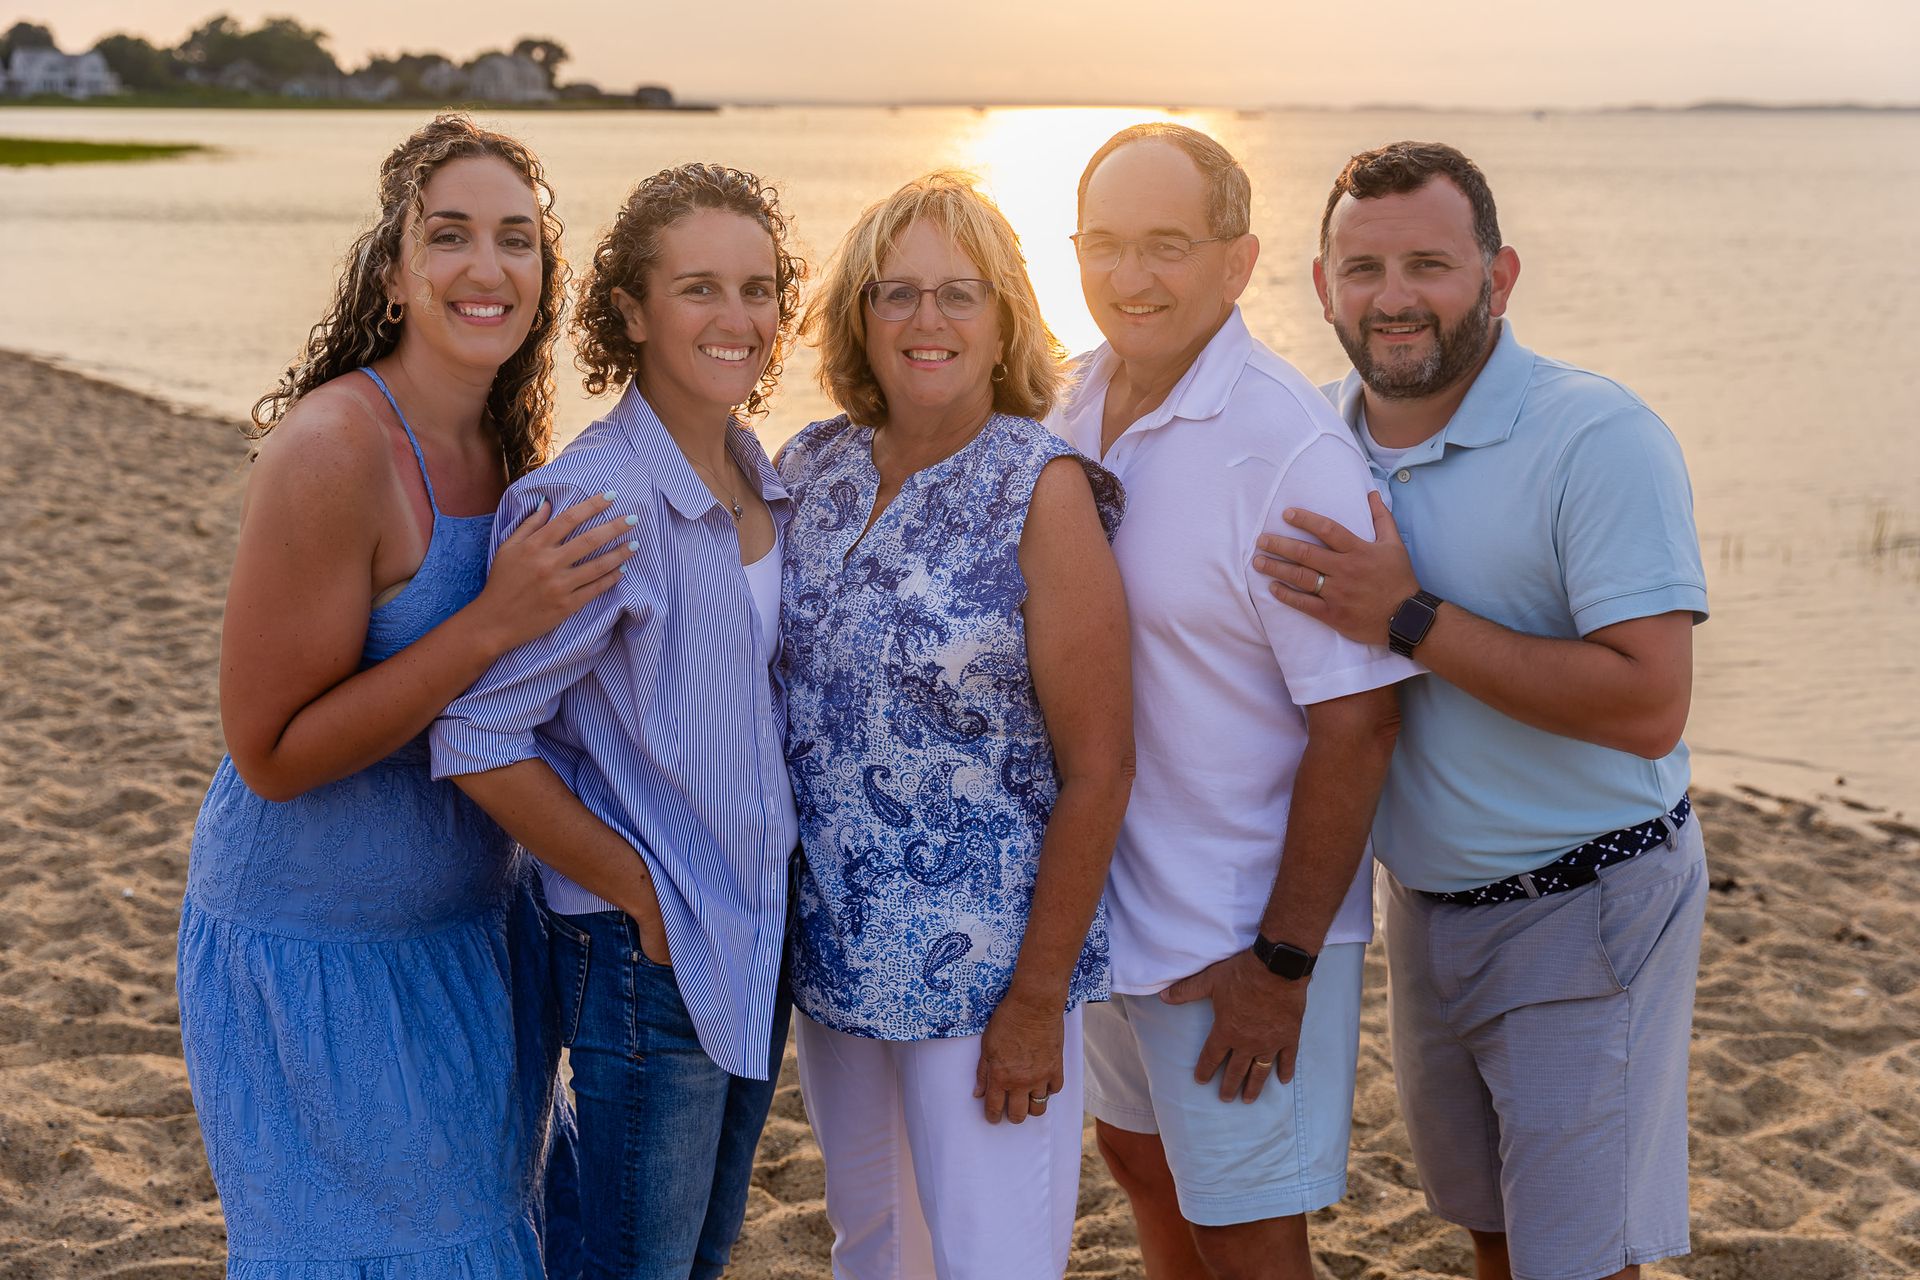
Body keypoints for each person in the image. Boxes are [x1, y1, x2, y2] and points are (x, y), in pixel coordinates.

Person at [1251, 141, 1710, 1280]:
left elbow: (1651, 702)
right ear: (1322, 288)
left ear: (1498, 278)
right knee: (1494, 1229)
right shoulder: (1311, 442)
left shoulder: (1597, 436)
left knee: (1576, 1257)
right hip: (1423, 909)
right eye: (1363, 268)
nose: (1392, 297)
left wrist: (1407, 617)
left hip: (1589, 897)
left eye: (1429, 265)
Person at [178, 114, 616, 1277]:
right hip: (322, 952)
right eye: (451, 234)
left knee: (497, 1233)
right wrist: (494, 620)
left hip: (474, 932)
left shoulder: (505, 441)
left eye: (517, 239)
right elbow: (268, 749)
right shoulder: (337, 447)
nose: (488, 266)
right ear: (393, 272)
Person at [1049, 123, 1416, 1280]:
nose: (1131, 275)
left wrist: (1282, 963)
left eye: (1168, 244)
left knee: (1248, 1236)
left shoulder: (1286, 448)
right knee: (1139, 1166)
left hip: (1235, 931)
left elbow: (1360, 722)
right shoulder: (1066, 399)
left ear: (1240, 260)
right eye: (1105, 244)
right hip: (1107, 913)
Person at [430, 163, 806, 1280]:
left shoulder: (759, 478)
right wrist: (639, 891)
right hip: (648, 949)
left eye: (757, 289)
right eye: (699, 289)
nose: (737, 318)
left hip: (754, 925)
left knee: (699, 1256)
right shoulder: (597, 501)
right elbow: (477, 738)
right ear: (632, 312)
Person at [777, 172, 1133, 1280]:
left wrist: (1035, 999)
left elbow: (1101, 768)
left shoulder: (1043, 487)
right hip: (834, 962)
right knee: (873, 1249)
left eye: (959, 294)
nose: (926, 319)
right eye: (896, 292)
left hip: (985, 978)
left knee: (992, 1262)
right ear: (859, 317)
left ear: (1006, 321)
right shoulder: (810, 468)